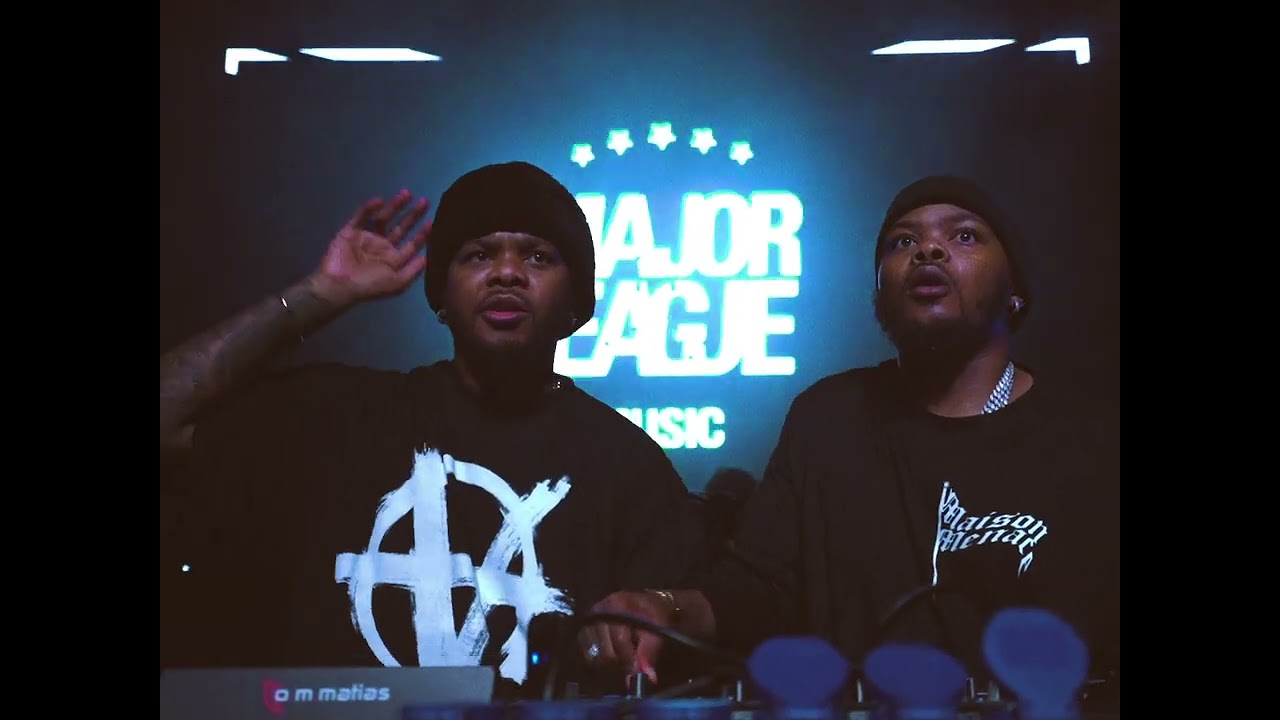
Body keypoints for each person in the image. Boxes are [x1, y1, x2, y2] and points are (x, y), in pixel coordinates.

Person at [158, 161, 709, 698]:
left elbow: (692, 625)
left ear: (576, 303)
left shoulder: (625, 463)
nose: (507, 273)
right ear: (442, 294)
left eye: (538, 256)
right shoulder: (341, 417)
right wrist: (319, 294)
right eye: (478, 254)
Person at [578, 176, 1120, 691]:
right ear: (879, 291)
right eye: (902, 242)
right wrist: (661, 608)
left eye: (964, 236)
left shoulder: (1089, 438)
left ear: (1015, 292)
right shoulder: (829, 418)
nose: (928, 251)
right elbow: (755, 593)